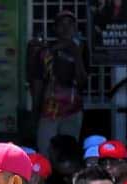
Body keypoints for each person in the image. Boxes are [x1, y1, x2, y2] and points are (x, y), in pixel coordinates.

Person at [32, 9, 87, 155]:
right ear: (55, 29)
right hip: (49, 111)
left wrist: (76, 54)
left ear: (75, 28)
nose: (66, 28)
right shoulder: (45, 52)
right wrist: (35, 109)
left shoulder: (82, 49)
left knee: (67, 153)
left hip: (72, 110)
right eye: (61, 24)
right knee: (45, 152)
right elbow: (37, 81)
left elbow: (82, 83)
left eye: (70, 24)